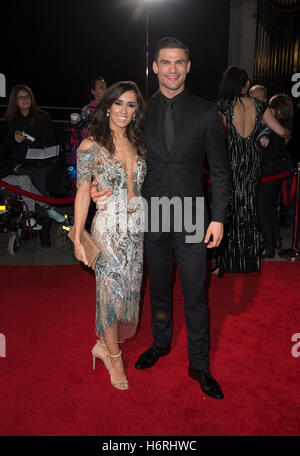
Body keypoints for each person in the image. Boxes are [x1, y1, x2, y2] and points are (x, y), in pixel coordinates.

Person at [92, 37, 230, 400]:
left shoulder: (206, 112)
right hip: (149, 215)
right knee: (159, 290)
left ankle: (200, 366)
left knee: (196, 292)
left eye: (179, 62)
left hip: (190, 217)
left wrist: (217, 218)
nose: (172, 69)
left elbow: (219, 171)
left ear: (188, 66)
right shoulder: (139, 112)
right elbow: (116, 155)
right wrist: (97, 187)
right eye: (165, 63)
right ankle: (160, 343)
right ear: (154, 67)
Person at [73, 81, 147, 391]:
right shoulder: (91, 144)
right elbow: (82, 192)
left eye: (131, 105)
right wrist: (77, 236)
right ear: (107, 106)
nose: (124, 111)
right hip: (109, 231)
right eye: (119, 104)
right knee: (110, 296)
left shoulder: (139, 144)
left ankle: (102, 345)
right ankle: (113, 356)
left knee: (129, 292)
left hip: (136, 230)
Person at [215, 66, 291, 275]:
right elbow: (282, 131)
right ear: (246, 84)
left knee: (231, 206)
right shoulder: (260, 106)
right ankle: (248, 260)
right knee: (248, 205)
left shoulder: (222, 107)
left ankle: (228, 259)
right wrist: (286, 138)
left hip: (232, 161)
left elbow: (216, 138)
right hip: (253, 161)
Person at [3, 85, 64, 223]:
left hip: (42, 163)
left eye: (27, 96)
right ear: (15, 101)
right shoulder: (10, 121)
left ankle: (44, 226)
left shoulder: (43, 116)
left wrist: (46, 147)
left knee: (43, 193)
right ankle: (29, 224)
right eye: (20, 97)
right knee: (26, 195)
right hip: (22, 164)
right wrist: (15, 139)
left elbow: (52, 139)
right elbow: (5, 147)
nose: (25, 100)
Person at [257, 94, 294, 258]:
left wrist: (263, 144)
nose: (269, 110)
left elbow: (272, 151)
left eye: (271, 107)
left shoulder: (278, 127)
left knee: (262, 209)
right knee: (269, 208)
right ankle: (276, 240)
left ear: (278, 109)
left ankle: (268, 246)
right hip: (276, 170)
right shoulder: (284, 125)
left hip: (270, 171)